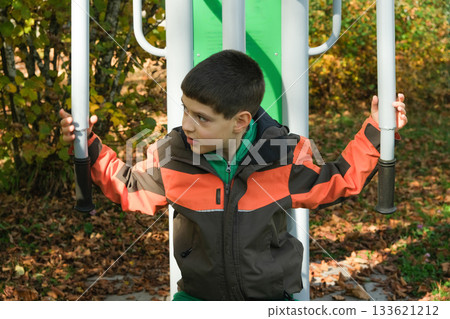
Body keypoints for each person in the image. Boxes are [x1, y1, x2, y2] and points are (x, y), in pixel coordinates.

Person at [60, 50, 407, 301]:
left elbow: (339, 180)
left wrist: (377, 131)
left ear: (240, 121)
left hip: (269, 300)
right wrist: (87, 147)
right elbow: (129, 187)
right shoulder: (174, 157)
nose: (187, 124)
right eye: (185, 109)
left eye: (202, 118)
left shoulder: (282, 155)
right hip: (197, 300)